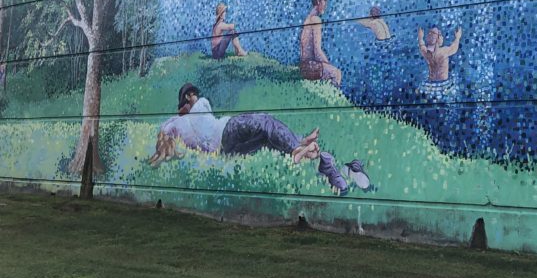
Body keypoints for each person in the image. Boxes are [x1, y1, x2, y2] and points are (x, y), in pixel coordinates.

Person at [148, 83, 370, 194]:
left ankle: (320, 162)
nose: (184, 108)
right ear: (190, 96)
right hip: (227, 130)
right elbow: (176, 122)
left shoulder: (175, 125)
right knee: (264, 122)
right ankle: (298, 147)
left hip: (225, 150)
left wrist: (162, 144)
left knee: (267, 139)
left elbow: (165, 128)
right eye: (185, 103)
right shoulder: (200, 104)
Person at [299, 0, 342, 86]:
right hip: (310, 67)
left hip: (303, 67)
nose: (326, 4)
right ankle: (332, 98)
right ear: (318, 0)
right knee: (336, 73)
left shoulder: (307, 20)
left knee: (328, 70)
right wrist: (328, 64)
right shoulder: (316, 20)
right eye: (325, 0)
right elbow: (317, 51)